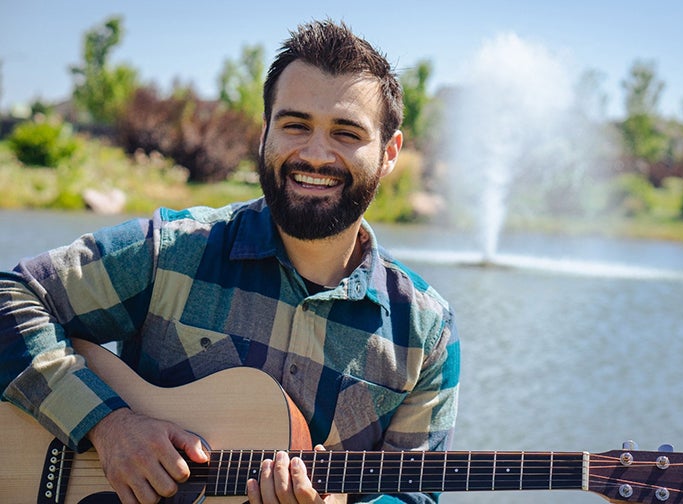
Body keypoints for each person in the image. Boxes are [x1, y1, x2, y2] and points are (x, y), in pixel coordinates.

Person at [0, 19, 460, 504]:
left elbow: (414, 496)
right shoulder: (173, 250)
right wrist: (108, 425)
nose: (316, 154)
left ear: (389, 153)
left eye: (346, 133)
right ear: (265, 135)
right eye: (295, 125)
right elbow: (12, 295)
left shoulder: (424, 334)